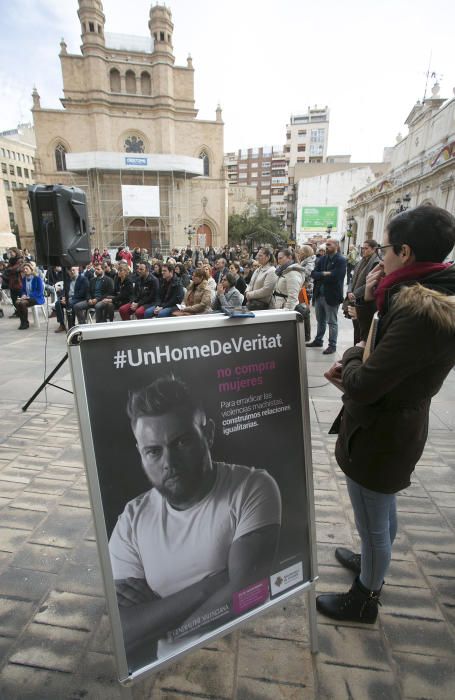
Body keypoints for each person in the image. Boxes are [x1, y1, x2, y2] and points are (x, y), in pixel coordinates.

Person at [316, 205, 455, 624]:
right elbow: (382, 359)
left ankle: (365, 597)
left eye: (388, 249)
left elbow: (365, 381)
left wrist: (352, 357)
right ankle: (371, 563)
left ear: (407, 252)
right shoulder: (412, 293)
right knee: (379, 509)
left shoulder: (419, 312)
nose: (382, 257)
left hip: (384, 429)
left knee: (373, 516)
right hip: (387, 422)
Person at [109, 377, 281, 660]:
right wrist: (209, 587)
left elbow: (245, 594)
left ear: (208, 434)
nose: (169, 462)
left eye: (182, 442)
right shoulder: (131, 519)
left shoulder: (252, 487)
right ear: (140, 454)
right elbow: (124, 631)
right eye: (153, 451)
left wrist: (165, 631)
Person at [306, 239, 346, 354]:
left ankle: (332, 345)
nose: (326, 246)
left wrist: (322, 275)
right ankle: (318, 340)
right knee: (320, 320)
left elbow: (336, 276)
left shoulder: (341, 260)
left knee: (332, 322)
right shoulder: (323, 259)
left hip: (332, 295)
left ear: (336, 246)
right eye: (326, 244)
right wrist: (325, 273)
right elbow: (313, 274)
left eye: (329, 245)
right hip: (319, 295)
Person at [344, 240, 380, 343]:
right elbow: (352, 278)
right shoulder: (360, 261)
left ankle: (359, 350)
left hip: (364, 301)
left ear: (374, 249)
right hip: (354, 298)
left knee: (362, 330)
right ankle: (356, 346)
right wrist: (350, 291)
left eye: (366, 248)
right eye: (362, 248)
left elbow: (371, 282)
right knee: (356, 327)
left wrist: (355, 293)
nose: (363, 250)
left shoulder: (376, 262)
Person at [54, 266, 89, 332]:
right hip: (69, 298)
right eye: (70, 271)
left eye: (73, 270)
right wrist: (63, 297)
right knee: (58, 303)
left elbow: (82, 293)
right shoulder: (68, 279)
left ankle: (71, 325)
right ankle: (62, 324)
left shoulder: (83, 279)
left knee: (69, 304)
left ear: (77, 270)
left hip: (79, 298)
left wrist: (69, 299)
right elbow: (64, 291)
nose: (72, 272)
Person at [15, 262, 45, 330]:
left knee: (22, 303)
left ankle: (25, 323)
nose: (25, 270)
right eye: (24, 269)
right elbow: (23, 290)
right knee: (17, 302)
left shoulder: (37, 278)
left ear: (31, 269)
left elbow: (39, 291)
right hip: (27, 298)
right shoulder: (24, 279)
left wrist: (29, 296)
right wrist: (23, 295)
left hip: (37, 298)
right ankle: (23, 322)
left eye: (27, 269)